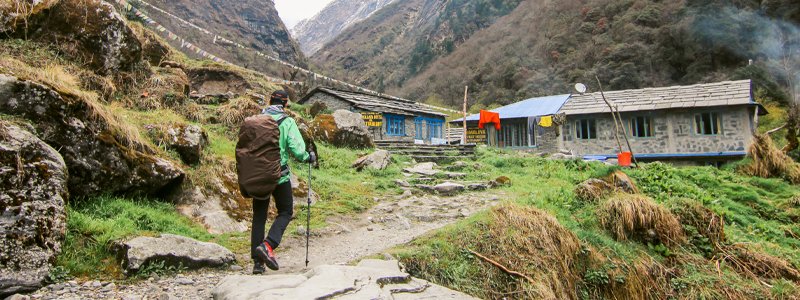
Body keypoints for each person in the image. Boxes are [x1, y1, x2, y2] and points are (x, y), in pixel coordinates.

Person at [251, 90, 316, 274]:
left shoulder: (256, 120)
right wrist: (308, 157)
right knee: (286, 211)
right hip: (279, 176)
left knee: (259, 216)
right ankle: (268, 246)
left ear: (270, 101)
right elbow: (297, 149)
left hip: (258, 175)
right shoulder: (287, 122)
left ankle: (258, 264)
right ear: (285, 104)